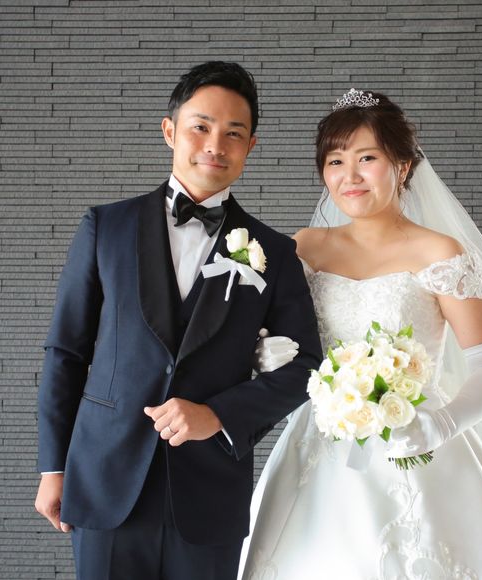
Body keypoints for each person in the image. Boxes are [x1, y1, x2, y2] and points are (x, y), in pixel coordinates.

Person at [240, 90, 482, 579]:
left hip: (417, 437)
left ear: (402, 166)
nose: (350, 176)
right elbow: (277, 340)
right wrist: (262, 355)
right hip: (322, 441)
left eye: (367, 158)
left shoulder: (440, 253)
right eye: (336, 161)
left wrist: (441, 425)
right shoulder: (303, 247)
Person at [34, 60, 322, 580]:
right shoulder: (106, 227)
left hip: (210, 493)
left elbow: (307, 366)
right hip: (104, 479)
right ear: (170, 131)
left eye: (233, 133)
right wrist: (54, 467)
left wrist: (218, 415)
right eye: (201, 127)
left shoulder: (275, 252)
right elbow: (66, 353)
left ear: (251, 146)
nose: (215, 145)